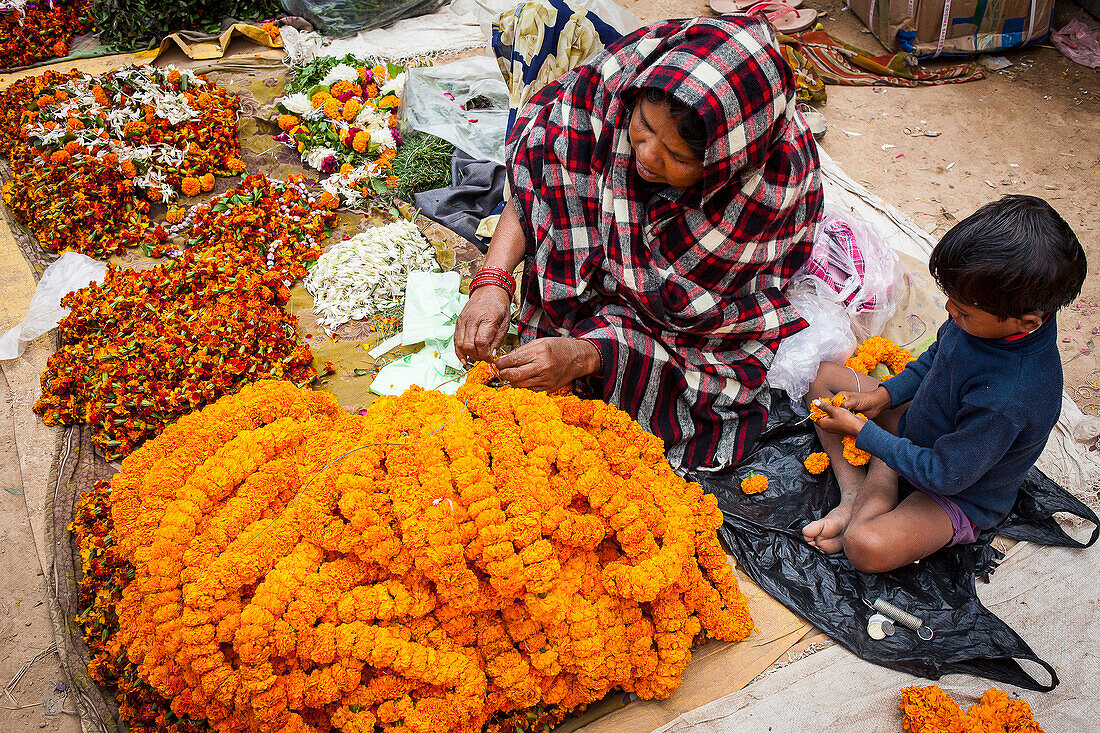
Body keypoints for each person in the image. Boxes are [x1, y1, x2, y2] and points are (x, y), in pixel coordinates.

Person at [454, 11, 823, 470]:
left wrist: (589, 352)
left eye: (676, 156)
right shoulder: (606, 93)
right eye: (644, 127)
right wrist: (493, 280)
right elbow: (537, 185)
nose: (646, 156)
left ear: (725, 160)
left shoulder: (762, 196)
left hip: (682, 333)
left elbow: (707, 332)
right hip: (597, 273)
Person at [804, 195, 1087, 572]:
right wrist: (882, 397)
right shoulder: (986, 319)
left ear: (1028, 321)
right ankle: (856, 493)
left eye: (964, 311)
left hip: (958, 490)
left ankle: (880, 477)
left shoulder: (1009, 396)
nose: (950, 311)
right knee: (822, 377)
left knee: (864, 546)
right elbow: (936, 360)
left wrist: (864, 433)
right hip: (922, 429)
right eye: (951, 300)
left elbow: (944, 474)